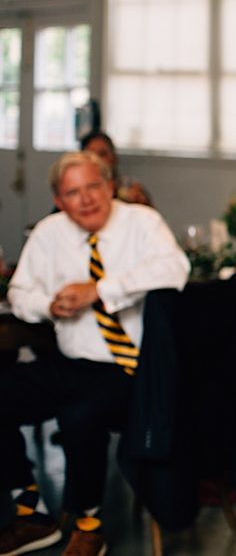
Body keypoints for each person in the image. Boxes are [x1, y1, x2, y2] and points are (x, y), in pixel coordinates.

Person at [0, 151, 190, 556]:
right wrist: (48, 305)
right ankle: (31, 513)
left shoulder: (141, 222)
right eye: (72, 192)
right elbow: (17, 293)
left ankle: (89, 525)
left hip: (129, 369)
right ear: (58, 199)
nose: (85, 200)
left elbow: (176, 269)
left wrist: (100, 291)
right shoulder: (49, 234)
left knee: (80, 412)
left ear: (109, 186)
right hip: (70, 361)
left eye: (93, 187)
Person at [80, 130, 153, 207]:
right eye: (91, 155)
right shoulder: (76, 190)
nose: (97, 160)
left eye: (102, 154)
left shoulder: (130, 187)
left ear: (114, 158)